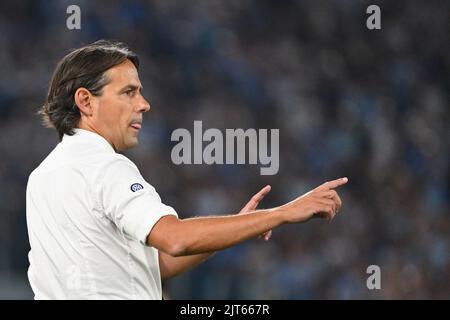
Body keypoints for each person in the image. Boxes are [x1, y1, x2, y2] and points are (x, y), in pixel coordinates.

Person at [26, 40, 348, 300]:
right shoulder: (104, 166)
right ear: (85, 101)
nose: (143, 103)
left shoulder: (42, 176)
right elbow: (175, 239)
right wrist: (285, 212)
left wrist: (240, 226)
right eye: (128, 92)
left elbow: (153, 266)